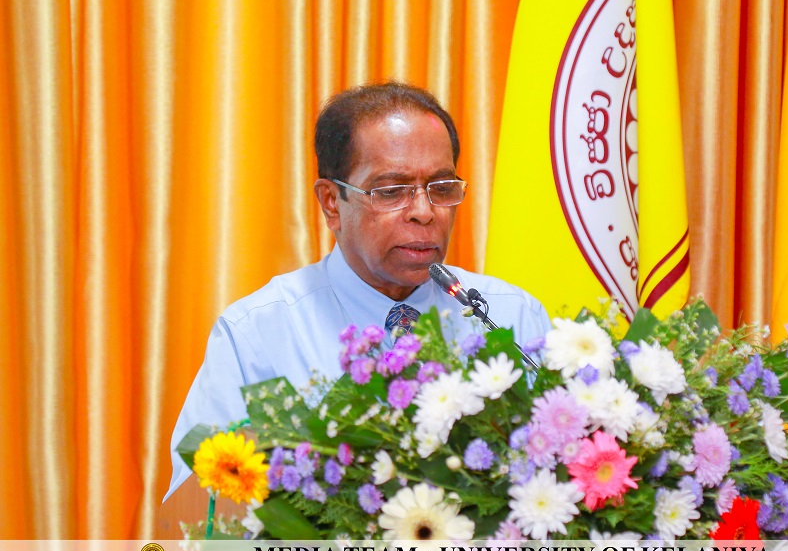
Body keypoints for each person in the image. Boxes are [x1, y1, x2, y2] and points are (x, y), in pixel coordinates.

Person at [165, 82, 550, 499]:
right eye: (391, 192)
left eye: (441, 188)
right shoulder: (258, 336)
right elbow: (196, 515)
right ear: (332, 202)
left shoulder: (511, 317)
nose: (424, 212)